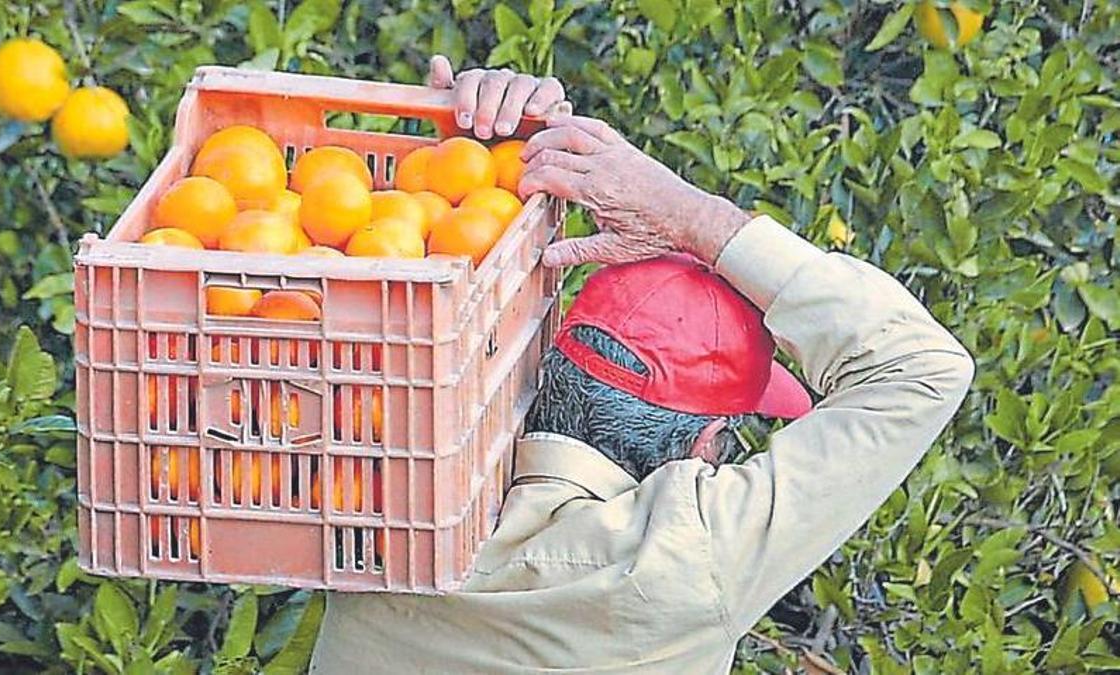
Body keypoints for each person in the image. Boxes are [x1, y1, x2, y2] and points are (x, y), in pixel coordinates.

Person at [309, 57, 974, 674]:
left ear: (544, 356)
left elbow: (377, 261)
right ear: (706, 446)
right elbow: (923, 368)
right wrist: (688, 213)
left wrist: (481, 154)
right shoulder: (688, 558)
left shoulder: (383, 471)